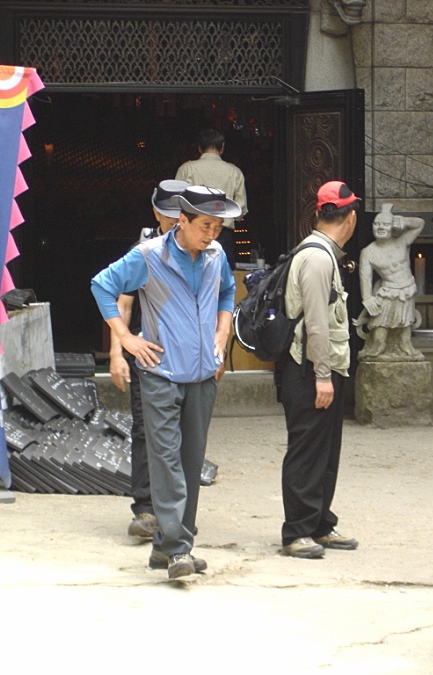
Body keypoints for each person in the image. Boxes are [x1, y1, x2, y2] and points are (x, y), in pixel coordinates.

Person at [91, 185, 239, 579]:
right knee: (166, 461)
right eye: (205, 226)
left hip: (203, 375)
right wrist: (125, 339)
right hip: (160, 374)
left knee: (190, 463)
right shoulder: (149, 256)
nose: (212, 234)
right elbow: (102, 285)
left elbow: (228, 291)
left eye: (218, 227)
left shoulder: (216, 255)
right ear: (182, 220)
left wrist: (223, 331)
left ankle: (167, 548)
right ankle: (177, 550)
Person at [279, 180, 359, 559]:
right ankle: (297, 531)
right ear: (351, 217)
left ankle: (320, 524)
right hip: (309, 371)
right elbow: (316, 323)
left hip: (323, 368)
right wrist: (323, 376)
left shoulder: (326, 253)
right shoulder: (317, 258)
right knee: (307, 451)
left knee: (325, 451)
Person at [109, 180, 188, 538]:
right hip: (149, 353)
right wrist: (117, 352)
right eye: (169, 215)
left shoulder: (205, 250)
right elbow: (123, 304)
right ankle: (145, 509)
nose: (175, 221)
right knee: (145, 430)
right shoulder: (142, 252)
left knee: (184, 431)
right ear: (156, 213)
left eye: (181, 214)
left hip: (189, 356)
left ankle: (178, 510)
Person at [357, 203, 423, 359]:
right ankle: (378, 344)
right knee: (381, 321)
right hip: (388, 290)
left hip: (407, 288)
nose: (380, 227)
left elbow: (420, 224)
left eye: (385, 224)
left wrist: (405, 221)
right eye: (377, 224)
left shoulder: (402, 241)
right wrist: (367, 298)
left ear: (392, 226)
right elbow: (365, 277)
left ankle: (406, 344)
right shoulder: (368, 252)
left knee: (406, 320)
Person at [176, 128, 248, 267]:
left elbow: (177, 205)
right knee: (222, 277)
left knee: (187, 273)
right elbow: (241, 210)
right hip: (222, 233)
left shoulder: (186, 169)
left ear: (199, 148)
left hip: (191, 233)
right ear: (222, 148)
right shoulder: (234, 172)